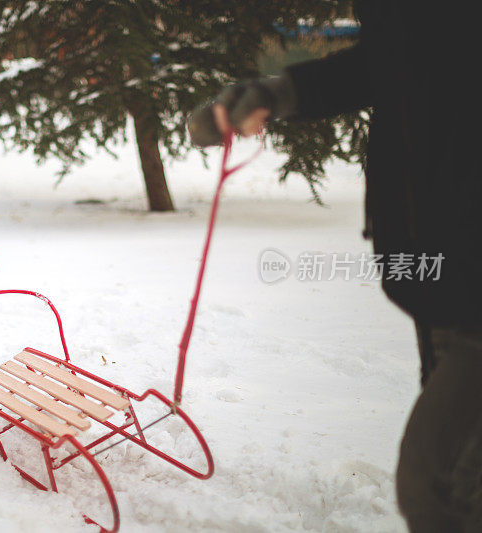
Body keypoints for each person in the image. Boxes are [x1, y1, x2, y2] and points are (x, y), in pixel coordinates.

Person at [188, 3, 481, 531]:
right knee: (456, 482)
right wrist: (276, 95)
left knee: (433, 484)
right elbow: (396, 61)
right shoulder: (419, 30)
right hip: (442, 280)